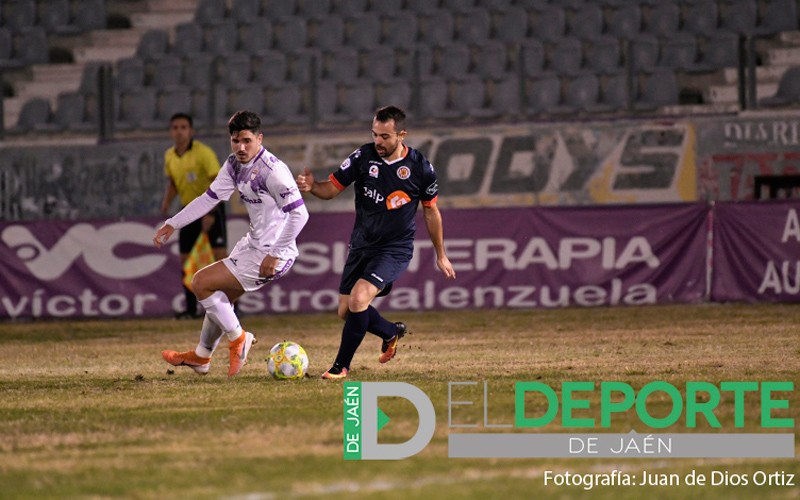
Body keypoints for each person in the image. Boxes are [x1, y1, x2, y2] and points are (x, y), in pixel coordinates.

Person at [296, 105, 456, 380]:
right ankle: (390, 331)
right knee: (346, 311)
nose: (378, 142)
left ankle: (340, 367)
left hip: (394, 248)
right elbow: (331, 189)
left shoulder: (421, 168)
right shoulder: (363, 156)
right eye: (375, 135)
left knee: (359, 300)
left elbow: (431, 211)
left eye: (385, 136)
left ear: (401, 135)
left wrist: (441, 254)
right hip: (362, 244)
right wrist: (313, 188)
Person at [154, 110, 309, 377]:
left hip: (272, 254)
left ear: (260, 139)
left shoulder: (273, 171)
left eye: (247, 140)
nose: (241, 147)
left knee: (200, 282)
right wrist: (173, 223)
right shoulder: (234, 164)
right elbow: (209, 198)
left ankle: (239, 339)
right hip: (253, 245)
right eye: (235, 140)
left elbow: (300, 214)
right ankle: (202, 357)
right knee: (220, 299)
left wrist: (274, 253)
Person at [160, 112, 227, 320]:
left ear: (191, 131)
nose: (179, 131)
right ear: (171, 132)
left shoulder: (203, 153)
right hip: (188, 211)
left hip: (211, 210)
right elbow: (172, 183)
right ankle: (191, 309)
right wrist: (166, 204)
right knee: (186, 261)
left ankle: (231, 307)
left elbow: (217, 183)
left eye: (183, 127)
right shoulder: (169, 156)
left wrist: (210, 213)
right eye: (175, 127)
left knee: (220, 260)